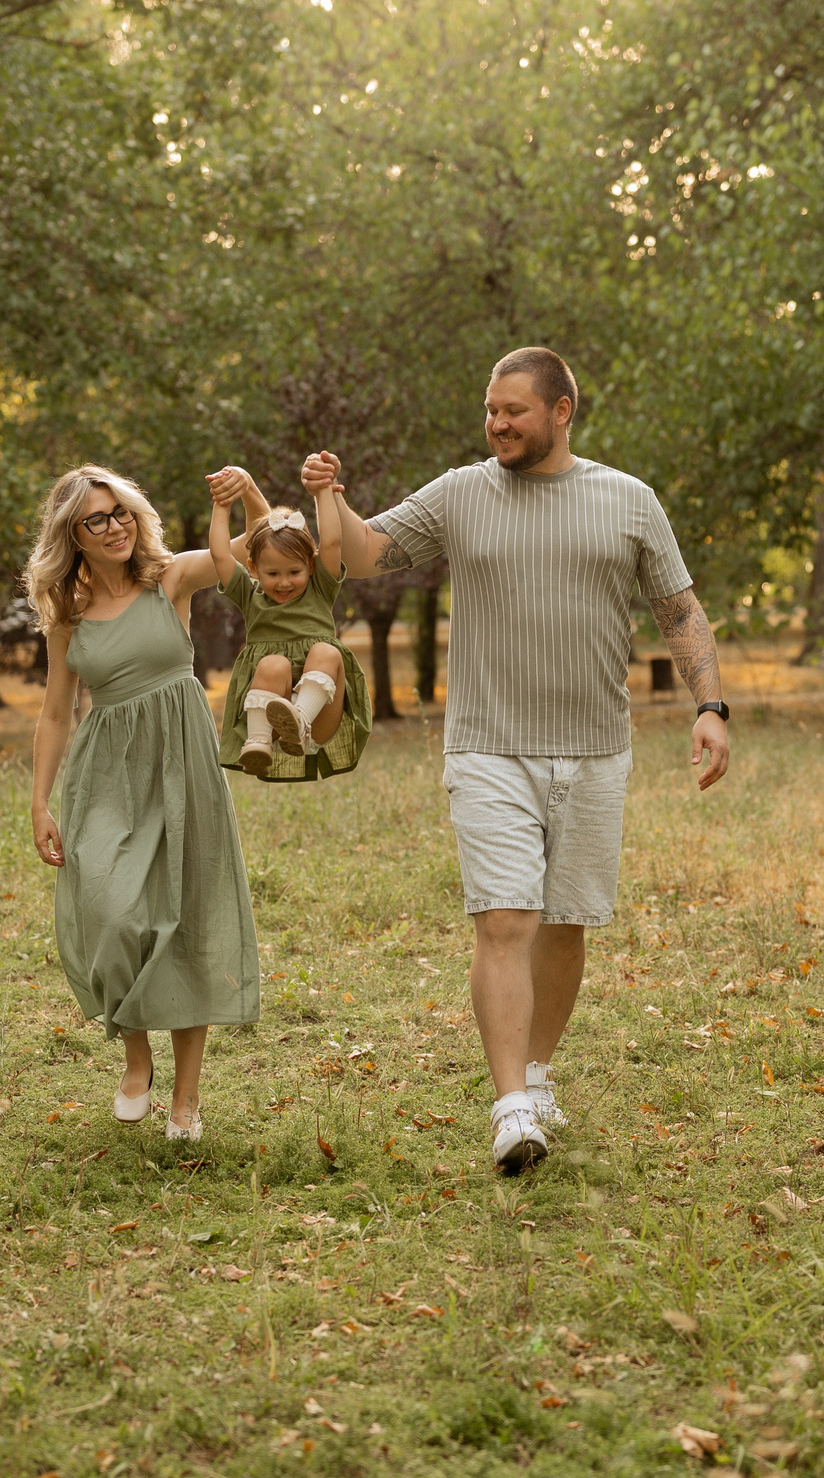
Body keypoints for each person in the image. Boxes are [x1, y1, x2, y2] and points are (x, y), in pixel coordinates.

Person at [304, 346, 731, 1175]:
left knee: (564, 924)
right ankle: (510, 1110)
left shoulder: (628, 500)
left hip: (595, 748)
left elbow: (679, 608)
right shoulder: (463, 493)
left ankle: (536, 1075)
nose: (497, 423)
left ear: (562, 410)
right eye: (490, 410)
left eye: (514, 410)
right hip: (489, 743)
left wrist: (710, 706)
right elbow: (359, 554)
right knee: (505, 918)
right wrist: (329, 496)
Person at [27, 465, 257, 1142]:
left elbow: (261, 544)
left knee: (186, 921)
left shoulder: (171, 578)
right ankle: (137, 1056)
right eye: (97, 518)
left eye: (122, 510)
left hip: (182, 763)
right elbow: (53, 713)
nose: (115, 525)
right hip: (106, 773)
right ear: (73, 533)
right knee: (109, 904)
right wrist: (39, 802)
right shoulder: (66, 612)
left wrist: (246, 494)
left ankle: (186, 1101)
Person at [206, 465, 371, 780]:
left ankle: (300, 719)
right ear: (253, 568)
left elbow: (333, 542)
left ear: (310, 565)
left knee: (327, 651)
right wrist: (222, 505)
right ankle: (258, 742)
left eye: (294, 572)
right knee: (272, 665)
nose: (284, 582)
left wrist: (322, 490)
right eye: (273, 574)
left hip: (319, 718)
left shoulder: (320, 588)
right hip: (268, 715)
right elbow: (220, 556)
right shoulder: (250, 594)